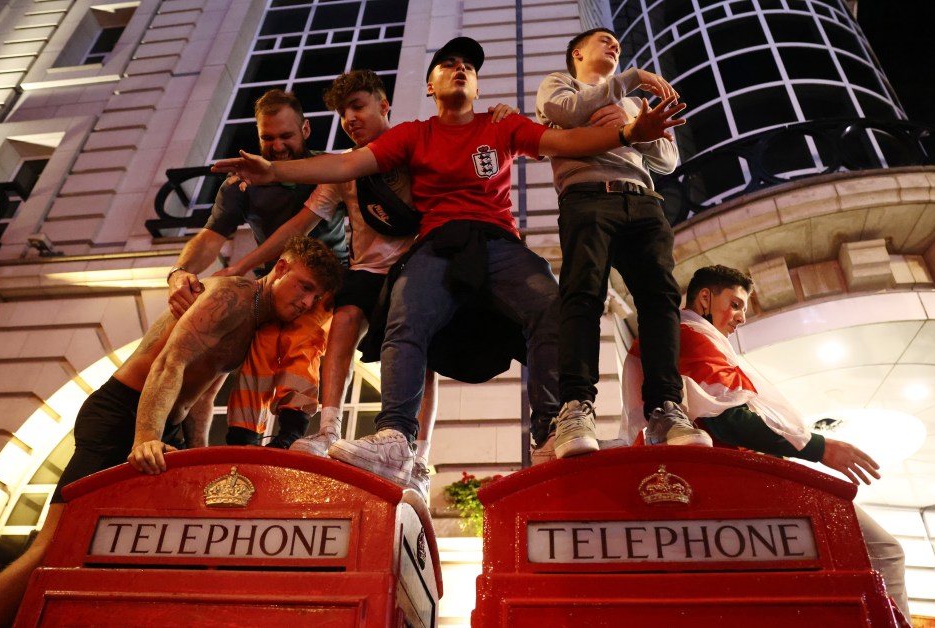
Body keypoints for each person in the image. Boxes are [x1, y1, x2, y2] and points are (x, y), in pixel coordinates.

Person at [213, 36, 686, 486]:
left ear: (477, 87)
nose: (460, 69)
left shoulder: (500, 125)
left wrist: (626, 132)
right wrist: (274, 170)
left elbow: (565, 143)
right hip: (437, 243)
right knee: (404, 316)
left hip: (498, 240)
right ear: (430, 86)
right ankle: (397, 437)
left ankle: (548, 432)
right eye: (448, 65)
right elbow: (343, 165)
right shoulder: (414, 135)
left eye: (468, 68)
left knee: (550, 305)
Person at [0, 236, 343, 628]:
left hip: (165, 425)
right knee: (53, 545)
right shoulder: (233, 296)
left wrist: (198, 454)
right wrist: (144, 437)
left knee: (142, 553)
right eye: (305, 287)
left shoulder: (256, 320)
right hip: (123, 413)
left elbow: (204, 391)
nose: (307, 303)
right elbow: (170, 363)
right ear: (282, 269)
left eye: (316, 295)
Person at [622, 264, 910, 623]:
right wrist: (819, 449)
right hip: (733, 477)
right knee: (885, 551)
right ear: (705, 298)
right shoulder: (692, 335)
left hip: (717, 481)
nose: (741, 316)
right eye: (736, 304)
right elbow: (725, 417)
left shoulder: (687, 338)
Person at [534, 27, 710, 463]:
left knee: (661, 300)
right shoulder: (563, 85)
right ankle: (576, 407)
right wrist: (628, 81)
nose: (613, 45)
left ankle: (666, 409)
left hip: (643, 200)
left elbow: (667, 160)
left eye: (617, 43)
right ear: (577, 52)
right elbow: (563, 110)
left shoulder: (631, 103)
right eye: (603, 41)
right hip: (587, 196)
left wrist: (636, 128)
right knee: (582, 294)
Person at [167, 89, 347, 449]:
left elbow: (297, 228)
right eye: (268, 138)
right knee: (258, 348)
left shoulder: (327, 169)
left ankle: (289, 434)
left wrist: (239, 267)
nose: (277, 146)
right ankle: (240, 438)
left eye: (286, 136)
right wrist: (180, 271)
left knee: (301, 341)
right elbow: (211, 236)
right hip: (275, 284)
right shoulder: (241, 183)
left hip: (329, 284)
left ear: (306, 130)